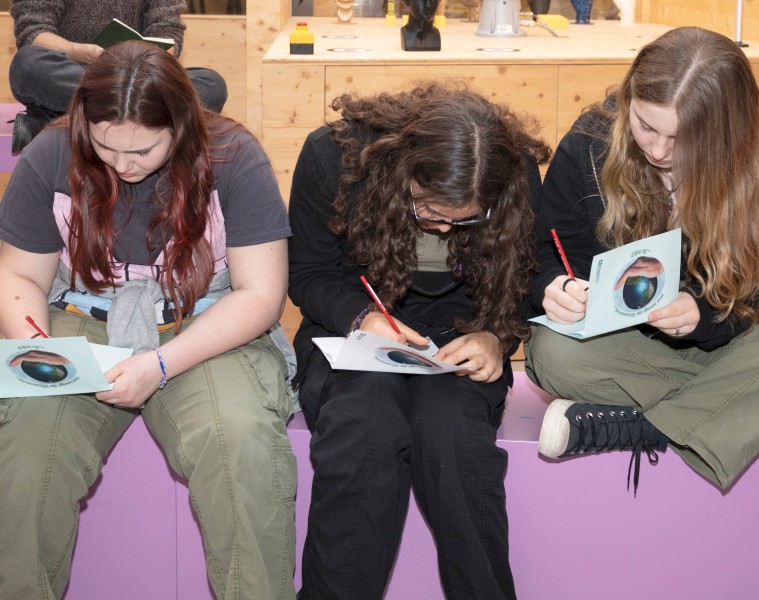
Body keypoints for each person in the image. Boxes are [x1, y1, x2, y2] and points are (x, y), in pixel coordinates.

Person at [0, 41, 296, 599]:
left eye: (143, 150)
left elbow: (260, 295)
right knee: (27, 450)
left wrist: (160, 365)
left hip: (206, 323)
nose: (123, 165)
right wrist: (38, 347)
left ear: (180, 126)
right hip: (81, 318)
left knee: (239, 443)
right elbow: (19, 277)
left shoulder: (235, 157)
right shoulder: (52, 151)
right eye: (106, 146)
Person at [288, 81, 551, 600]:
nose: (445, 229)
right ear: (403, 167)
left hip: (463, 330)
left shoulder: (514, 171)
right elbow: (309, 274)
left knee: (453, 435)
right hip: (354, 322)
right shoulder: (334, 156)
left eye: (466, 219)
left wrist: (496, 338)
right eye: (427, 210)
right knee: (365, 425)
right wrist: (362, 317)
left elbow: (527, 279)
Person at [525, 26, 759, 493]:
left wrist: (705, 314)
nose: (657, 151)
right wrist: (556, 287)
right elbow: (545, 252)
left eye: (684, 139)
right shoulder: (590, 143)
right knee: (550, 350)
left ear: (725, 132)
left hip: (721, 342)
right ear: (629, 98)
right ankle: (751, 414)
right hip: (619, 348)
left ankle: (640, 427)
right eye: (646, 126)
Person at [9, 0, 228, 153]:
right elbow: (33, 32)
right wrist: (82, 51)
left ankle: (51, 122)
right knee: (28, 64)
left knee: (211, 84)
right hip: (75, 72)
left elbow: (168, 33)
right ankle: (146, 119)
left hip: (137, 76)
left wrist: (140, 64)